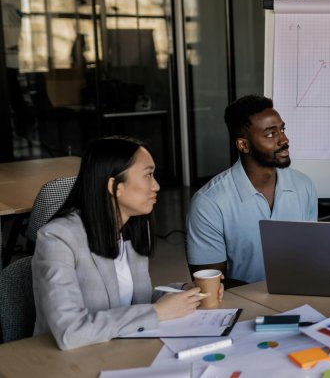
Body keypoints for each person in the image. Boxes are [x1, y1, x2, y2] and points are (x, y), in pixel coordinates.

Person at [32, 137, 218, 350]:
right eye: (148, 175)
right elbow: (69, 332)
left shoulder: (132, 228)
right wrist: (158, 312)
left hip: (120, 349)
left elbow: (137, 300)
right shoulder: (58, 238)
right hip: (67, 361)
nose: (156, 185)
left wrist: (185, 292)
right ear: (114, 186)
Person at [186, 95, 318, 285]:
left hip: (300, 298)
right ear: (243, 145)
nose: (284, 139)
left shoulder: (304, 186)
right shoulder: (209, 203)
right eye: (271, 134)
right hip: (244, 308)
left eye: (282, 129)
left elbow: (312, 257)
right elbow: (211, 288)